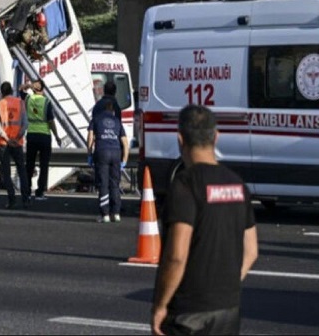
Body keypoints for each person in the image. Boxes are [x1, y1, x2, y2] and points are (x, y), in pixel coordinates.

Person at [151, 105, 258, 336]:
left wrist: (161, 305)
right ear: (216, 137)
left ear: (180, 140)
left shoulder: (185, 185)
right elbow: (251, 250)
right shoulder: (237, 185)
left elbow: (177, 255)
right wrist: (225, 284)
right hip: (227, 309)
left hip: (189, 312)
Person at [87, 99, 128, 222]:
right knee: (114, 183)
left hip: (102, 152)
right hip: (116, 153)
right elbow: (125, 143)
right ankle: (116, 213)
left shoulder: (96, 119)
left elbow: (90, 138)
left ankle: (105, 214)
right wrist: (124, 160)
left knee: (103, 183)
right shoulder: (117, 122)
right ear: (113, 111)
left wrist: (89, 154)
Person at [0, 81, 30, 209]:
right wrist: (17, 138)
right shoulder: (20, 103)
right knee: (22, 170)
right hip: (17, 142)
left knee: (6, 173)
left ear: (2, 92)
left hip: (4, 143)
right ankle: (26, 199)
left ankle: (12, 200)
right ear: (11, 91)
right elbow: (25, 124)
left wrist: (8, 139)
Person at [23, 79, 56, 200]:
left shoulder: (28, 99)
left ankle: (26, 190)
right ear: (43, 89)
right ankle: (40, 191)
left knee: (29, 164)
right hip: (44, 136)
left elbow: (21, 89)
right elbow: (51, 121)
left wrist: (29, 86)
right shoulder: (46, 102)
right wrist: (56, 135)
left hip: (31, 134)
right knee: (44, 165)